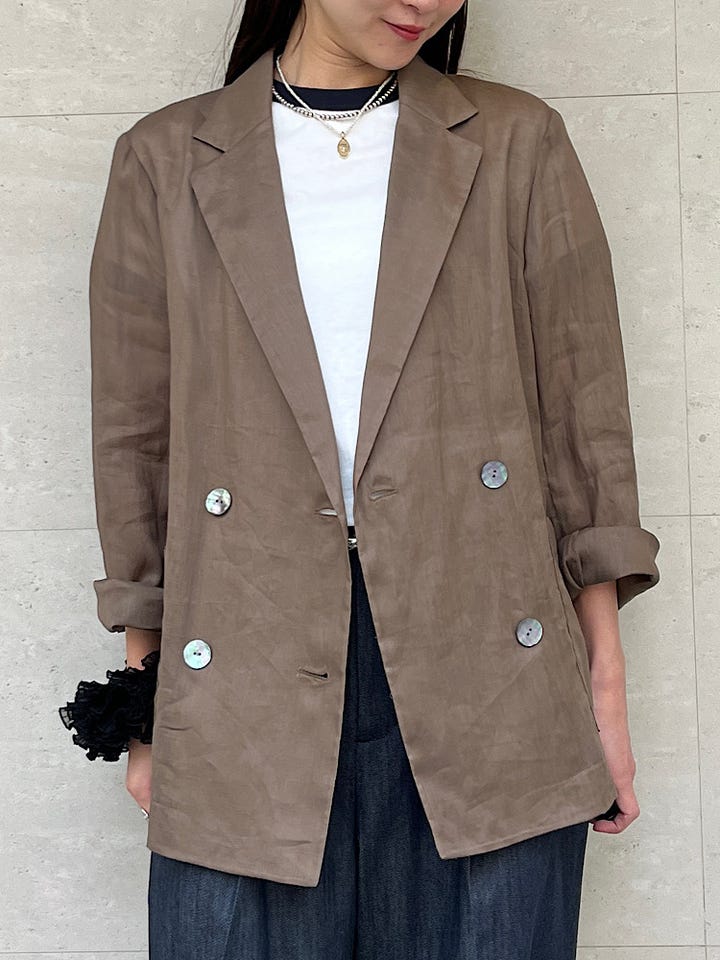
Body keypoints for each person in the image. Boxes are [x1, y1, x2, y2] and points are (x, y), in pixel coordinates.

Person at [62, 0, 661, 956]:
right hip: (247, 668)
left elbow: (583, 427)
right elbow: (137, 448)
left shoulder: (516, 142)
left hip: (490, 673)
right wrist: (143, 713)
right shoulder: (165, 160)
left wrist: (605, 702)